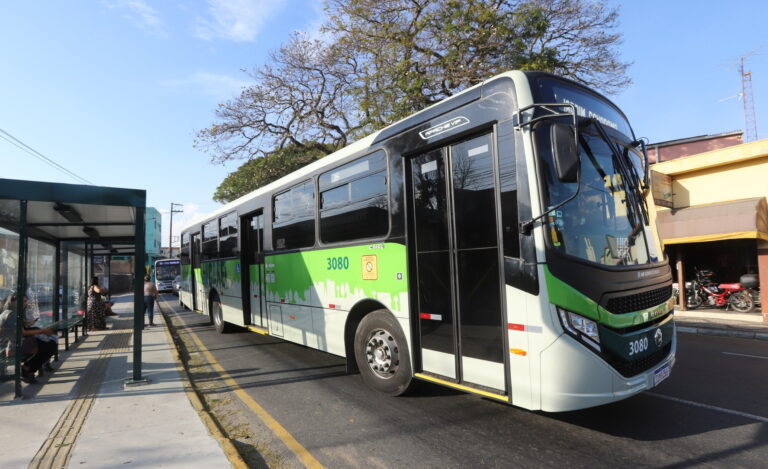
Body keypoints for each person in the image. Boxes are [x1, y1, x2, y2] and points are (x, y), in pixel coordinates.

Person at [0, 293, 55, 384]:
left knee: (48, 344)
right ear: (14, 301)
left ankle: (28, 369)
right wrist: (43, 331)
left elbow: (19, 329)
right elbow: (22, 332)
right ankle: (27, 369)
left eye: (26, 301)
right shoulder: (10, 315)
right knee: (46, 346)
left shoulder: (11, 313)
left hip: (13, 344)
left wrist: (30, 324)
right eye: (23, 301)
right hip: (8, 349)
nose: (25, 303)